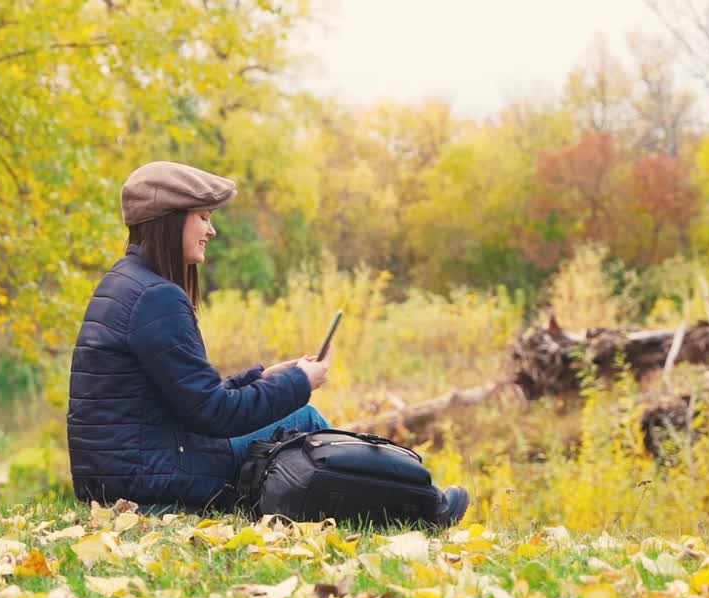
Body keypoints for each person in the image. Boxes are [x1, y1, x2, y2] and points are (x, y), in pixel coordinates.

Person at [67, 160, 469, 526]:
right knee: (305, 419)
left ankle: (392, 503)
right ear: (170, 221)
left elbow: (189, 398)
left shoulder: (124, 282)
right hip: (148, 485)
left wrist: (264, 376)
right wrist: (299, 384)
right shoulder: (158, 297)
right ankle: (422, 508)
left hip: (123, 474)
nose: (212, 230)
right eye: (203, 217)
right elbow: (214, 414)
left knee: (294, 422)